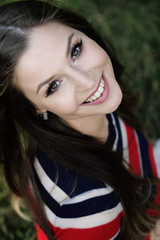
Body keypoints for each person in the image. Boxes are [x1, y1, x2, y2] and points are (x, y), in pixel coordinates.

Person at [0, 1, 160, 240]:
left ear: (84, 32)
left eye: (75, 50)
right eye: (53, 86)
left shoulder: (87, 116)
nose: (87, 82)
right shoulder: (89, 210)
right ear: (37, 108)